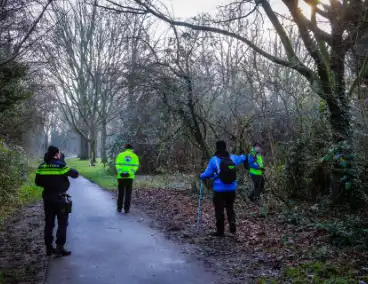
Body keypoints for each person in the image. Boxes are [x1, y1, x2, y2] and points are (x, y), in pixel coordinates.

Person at [35, 145, 79, 256]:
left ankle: (48, 248)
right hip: (60, 199)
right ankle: (60, 247)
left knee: (49, 223)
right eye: (59, 153)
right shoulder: (61, 166)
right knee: (62, 223)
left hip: (47, 198)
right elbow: (75, 174)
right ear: (56, 154)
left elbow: (37, 182)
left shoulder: (42, 166)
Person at [200, 140, 247, 237]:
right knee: (230, 207)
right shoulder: (232, 158)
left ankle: (220, 231)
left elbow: (207, 174)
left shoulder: (214, 160)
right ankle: (232, 224)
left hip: (219, 190)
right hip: (231, 189)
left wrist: (201, 176)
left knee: (219, 210)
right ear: (225, 147)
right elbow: (242, 158)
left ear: (217, 148)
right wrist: (244, 155)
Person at [115, 144, 140, 213]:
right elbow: (135, 167)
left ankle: (119, 208)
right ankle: (126, 209)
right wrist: (130, 173)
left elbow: (117, 165)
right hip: (129, 177)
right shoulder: (135, 156)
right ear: (132, 149)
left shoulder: (120, 155)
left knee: (121, 192)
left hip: (121, 177)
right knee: (128, 193)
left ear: (125, 148)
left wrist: (121, 172)